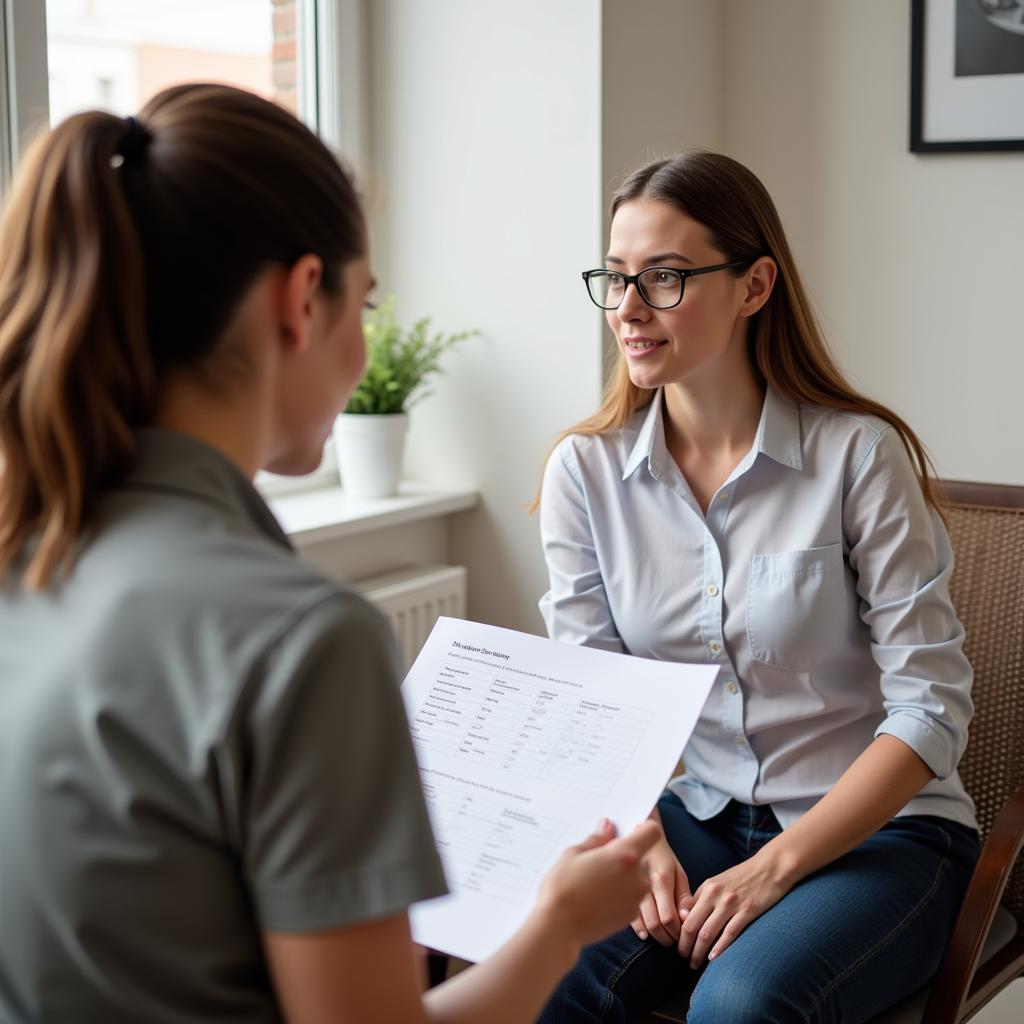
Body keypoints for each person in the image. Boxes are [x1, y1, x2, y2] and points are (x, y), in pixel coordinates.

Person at [0, 84, 660, 1024]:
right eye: (368, 301)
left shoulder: (29, 551)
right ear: (301, 300)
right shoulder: (301, 641)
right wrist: (557, 925)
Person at [534, 151, 981, 1024]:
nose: (628, 309)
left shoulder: (858, 457)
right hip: (689, 818)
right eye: (616, 277)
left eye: (664, 278)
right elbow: (592, 699)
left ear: (754, 284)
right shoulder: (583, 473)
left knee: (739, 1007)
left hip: (881, 835)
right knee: (538, 973)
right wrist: (642, 838)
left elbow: (931, 707)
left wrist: (778, 866)